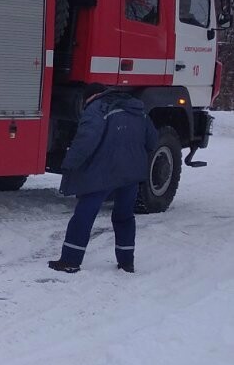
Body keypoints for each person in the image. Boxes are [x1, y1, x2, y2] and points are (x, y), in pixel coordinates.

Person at [48, 86, 159, 274]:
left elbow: (86, 140)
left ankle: (70, 261)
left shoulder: (98, 108)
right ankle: (126, 262)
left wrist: (69, 163)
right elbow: (152, 141)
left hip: (102, 173)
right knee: (124, 217)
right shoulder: (138, 111)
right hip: (130, 174)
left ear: (91, 96)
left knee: (84, 216)